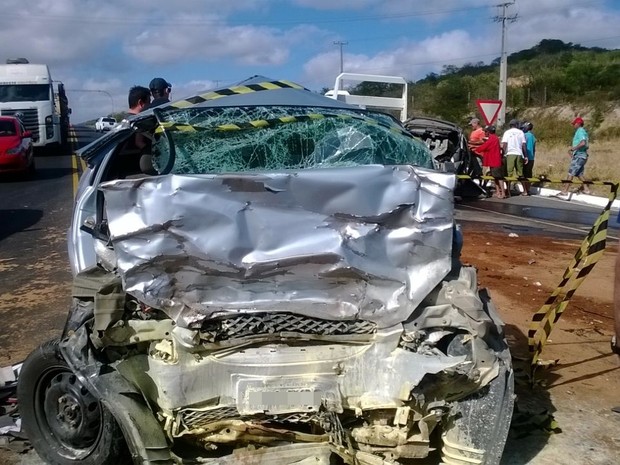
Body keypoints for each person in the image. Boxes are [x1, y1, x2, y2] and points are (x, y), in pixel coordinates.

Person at [558, 117, 591, 196]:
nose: (573, 125)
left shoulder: (580, 131)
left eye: (574, 124)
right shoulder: (583, 132)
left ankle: (565, 191)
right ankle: (586, 189)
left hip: (580, 155)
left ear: (578, 124)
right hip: (582, 155)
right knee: (579, 173)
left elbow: (583, 143)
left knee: (571, 173)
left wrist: (573, 149)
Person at [475, 125, 506, 198]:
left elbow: (485, 146)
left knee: (499, 177)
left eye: (486, 131)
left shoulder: (492, 139)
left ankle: (503, 193)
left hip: (495, 161)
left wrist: (476, 149)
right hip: (493, 161)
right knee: (495, 177)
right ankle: (498, 192)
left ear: (489, 132)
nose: (485, 133)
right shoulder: (494, 138)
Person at [501, 119, 528, 196]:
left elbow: (505, 144)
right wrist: (525, 156)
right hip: (519, 154)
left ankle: (508, 191)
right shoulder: (521, 132)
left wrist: (502, 154)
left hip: (510, 154)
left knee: (509, 174)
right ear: (517, 125)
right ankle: (525, 191)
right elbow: (523, 145)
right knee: (521, 173)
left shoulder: (507, 132)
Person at [522, 121, 536, 195]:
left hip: (525, 157)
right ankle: (528, 189)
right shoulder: (533, 136)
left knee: (523, 174)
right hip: (532, 158)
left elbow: (523, 146)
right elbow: (534, 148)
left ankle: (525, 190)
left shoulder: (524, 135)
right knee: (529, 174)